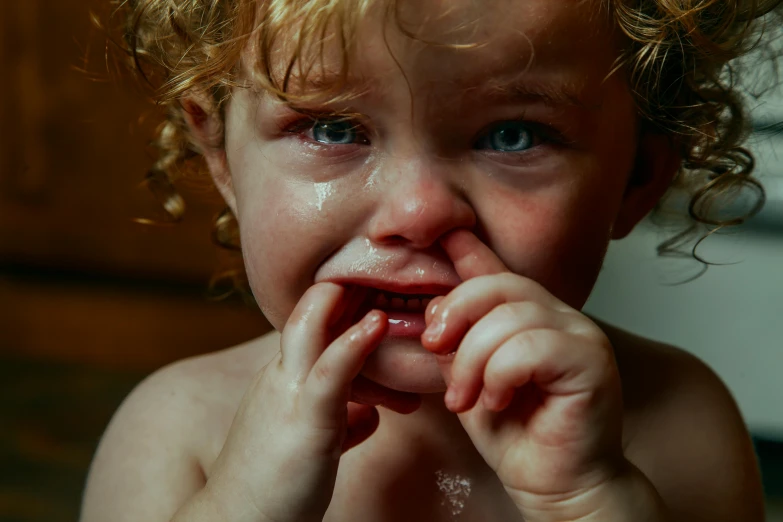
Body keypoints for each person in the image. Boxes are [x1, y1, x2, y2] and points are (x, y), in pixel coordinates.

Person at [80, 0, 782, 520]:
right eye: (332, 127)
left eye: (512, 135)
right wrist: (245, 505)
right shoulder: (178, 429)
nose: (417, 213)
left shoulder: (679, 422)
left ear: (637, 180)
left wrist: (591, 499)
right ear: (220, 157)